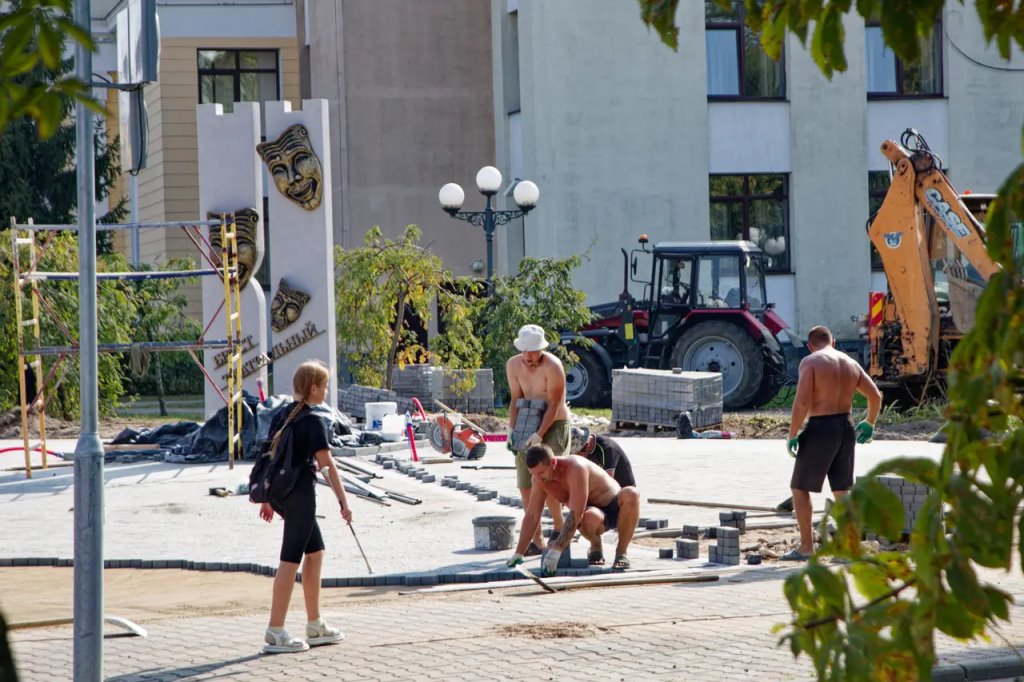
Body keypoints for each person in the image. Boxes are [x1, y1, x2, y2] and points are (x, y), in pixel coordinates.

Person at [259, 359, 351, 654]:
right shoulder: (313, 421)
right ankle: (275, 631)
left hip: (281, 494)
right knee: (290, 559)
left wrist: (267, 499)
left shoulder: (282, 414)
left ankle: (314, 624)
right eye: (324, 386)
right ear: (313, 389)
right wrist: (343, 502)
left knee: (315, 552)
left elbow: (268, 456)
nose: (326, 390)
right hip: (300, 495)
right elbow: (327, 465)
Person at [783, 326, 881, 561]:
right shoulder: (850, 362)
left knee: (799, 488)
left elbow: (803, 401)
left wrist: (793, 433)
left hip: (821, 428)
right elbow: (875, 396)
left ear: (810, 345)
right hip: (846, 427)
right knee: (842, 490)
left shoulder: (811, 361)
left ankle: (807, 547)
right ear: (834, 342)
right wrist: (869, 423)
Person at [506, 444, 640, 573]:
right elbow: (532, 516)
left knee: (631, 494)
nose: (538, 478)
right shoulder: (539, 480)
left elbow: (576, 513)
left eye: (541, 473)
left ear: (553, 463)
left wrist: (557, 549)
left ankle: (621, 553)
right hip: (593, 514)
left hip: (615, 505)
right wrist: (519, 553)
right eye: (533, 474)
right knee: (588, 517)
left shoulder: (576, 468)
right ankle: (595, 545)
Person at [506, 324, 572, 555]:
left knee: (548, 480)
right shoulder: (513, 365)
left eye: (533, 353)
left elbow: (554, 404)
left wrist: (539, 435)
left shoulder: (553, 366)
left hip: (553, 424)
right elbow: (516, 398)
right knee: (527, 483)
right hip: (527, 422)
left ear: (541, 349)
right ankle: (536, 539)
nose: (529, 357)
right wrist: (512, 429)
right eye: (525, 353)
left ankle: (559, 528)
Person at [569, 426, 636, 489]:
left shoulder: (607, 449)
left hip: (621, 491)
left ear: (587, 445)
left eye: (577, 452)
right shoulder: (584, 451)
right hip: (601, 488)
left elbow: (608, 484)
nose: (577, 456)